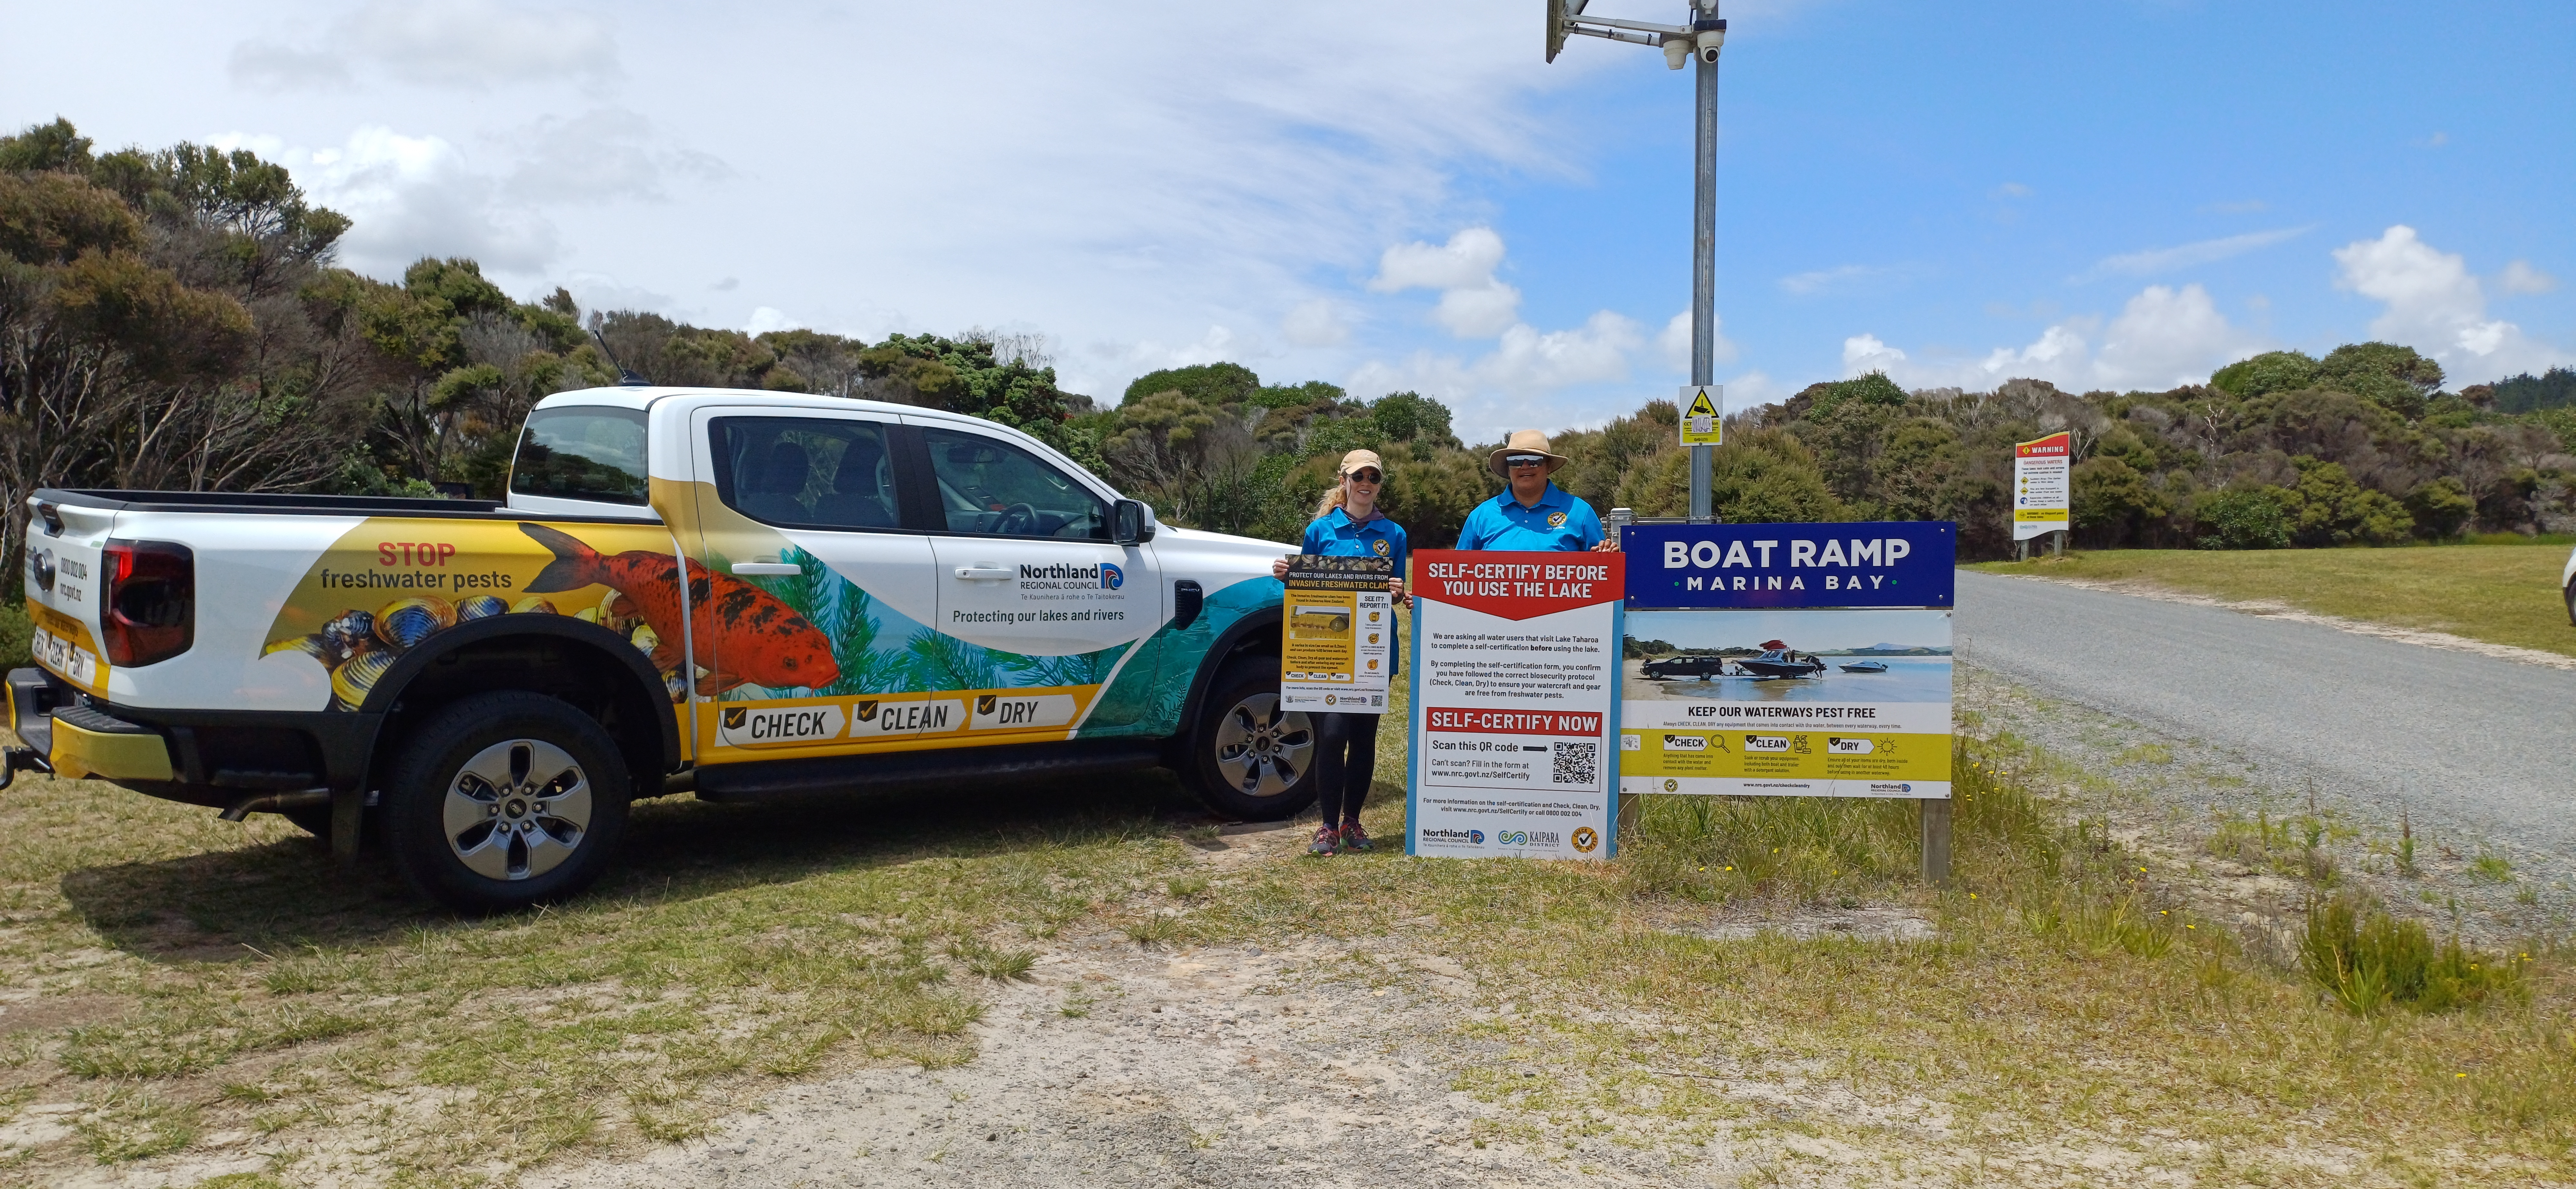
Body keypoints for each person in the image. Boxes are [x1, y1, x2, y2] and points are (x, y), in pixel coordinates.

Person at [1270, 449, 1408, 856]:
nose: (1366, 483)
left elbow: (1395, 592)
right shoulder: (1320, 529)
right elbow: (1306, 591)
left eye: (1374, 477)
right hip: (1327, 651)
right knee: (1331, 734)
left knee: (1364, 738)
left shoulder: (1394, 534)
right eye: (1358, 476)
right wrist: (1288, 576)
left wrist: (1397, 593)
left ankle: (1353, 821)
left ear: (1379, 483)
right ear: (1344, 480)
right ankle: (1328, 826)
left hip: (1373, 647)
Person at [1455, 430, 1619, 552]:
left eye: (1535, 461)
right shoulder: (1481, 516)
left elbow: (1601, 575)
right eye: (1516, 460)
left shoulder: (1581, 512)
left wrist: (1607, 557)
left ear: (1548, 466)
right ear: (1508, 468)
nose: (1525, 466)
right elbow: (1459, 572)